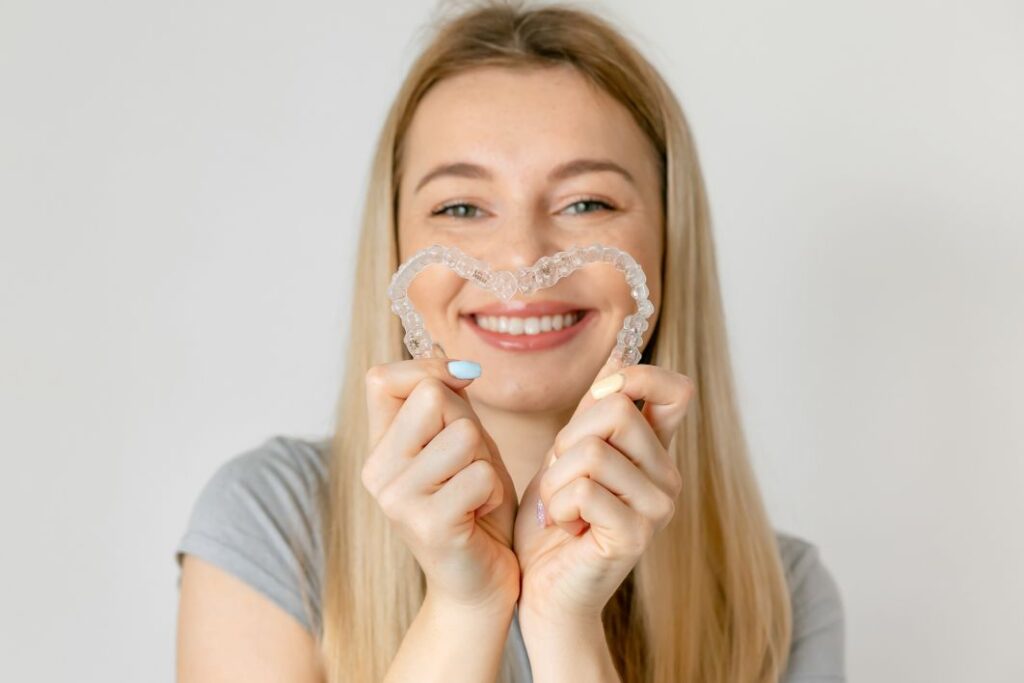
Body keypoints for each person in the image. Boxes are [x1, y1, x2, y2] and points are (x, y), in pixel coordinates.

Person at [174, 2, 846, 681]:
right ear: (396, 241)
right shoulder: (270, 524)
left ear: (670, 243)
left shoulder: (778, 599)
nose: (521, 258)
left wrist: (565, 623)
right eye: (461, 207)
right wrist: (464, 608)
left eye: (586, 203)